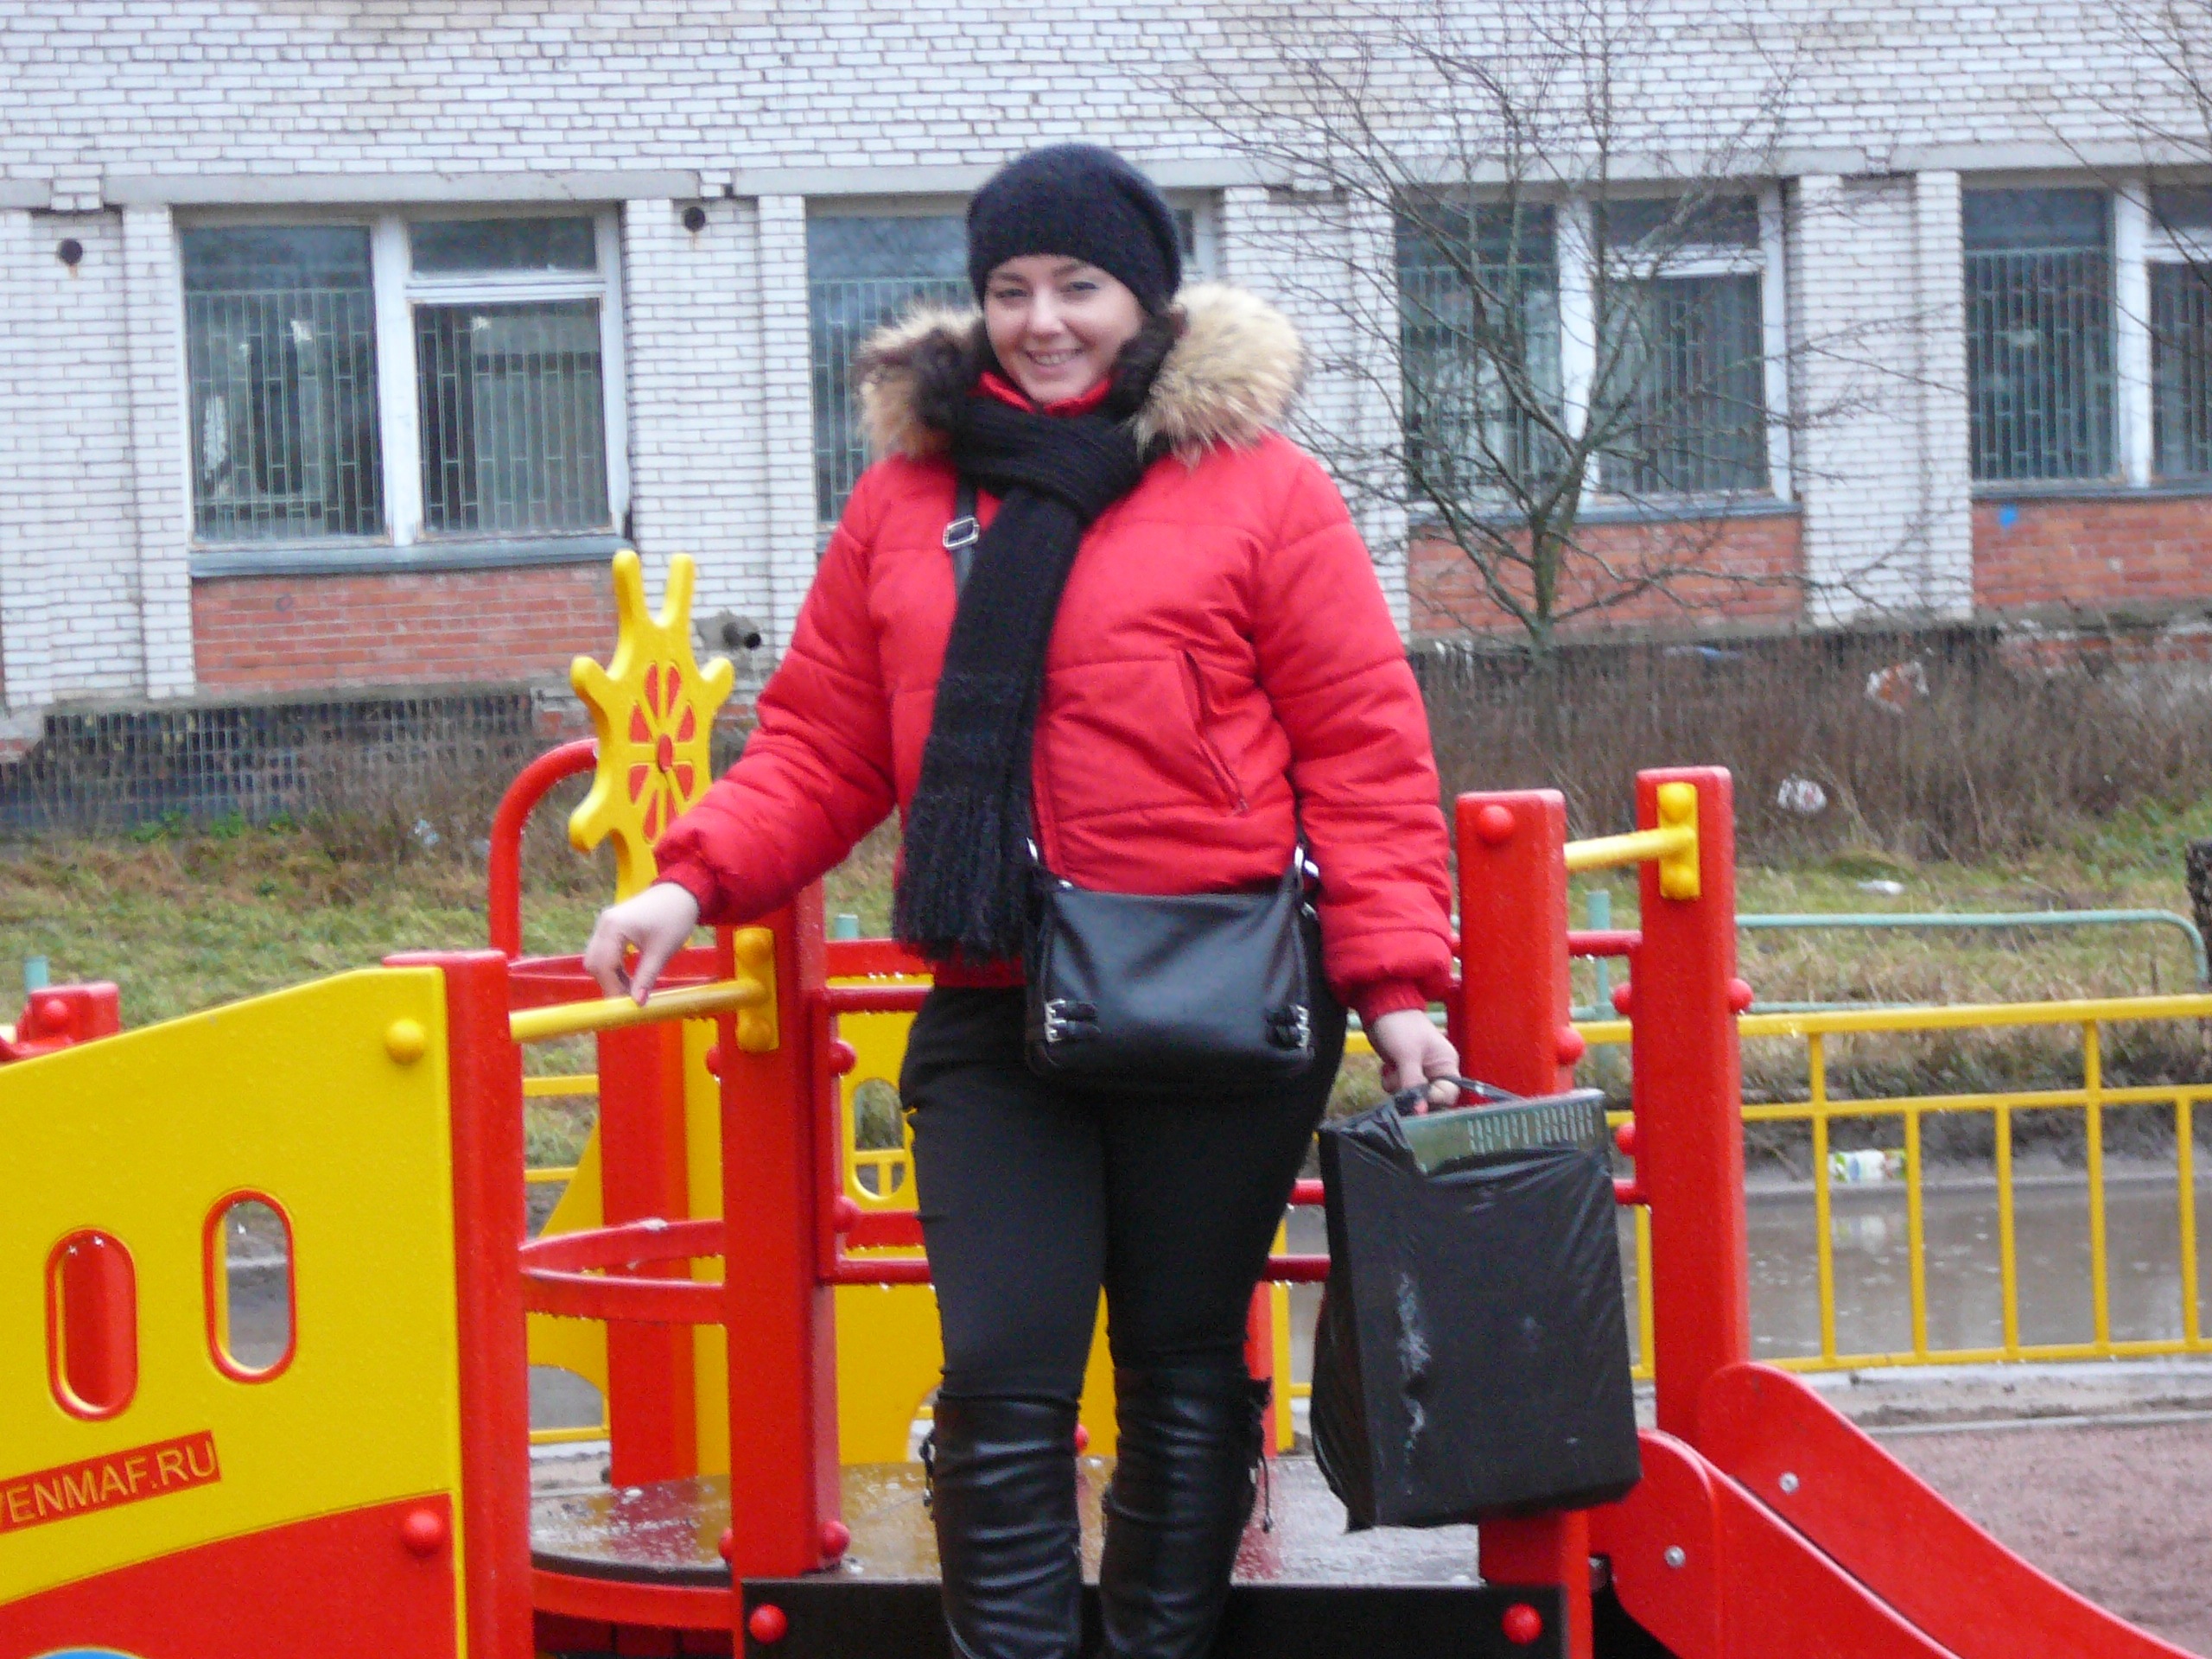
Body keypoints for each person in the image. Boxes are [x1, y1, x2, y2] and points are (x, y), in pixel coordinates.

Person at [584, 143, 1458, 1659]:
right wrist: (690, 879)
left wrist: (1397, 992)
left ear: (1148, 302)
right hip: (996, 998)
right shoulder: (905, 500)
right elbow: (823, 745)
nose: (1044, 320)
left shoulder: (1261, 488)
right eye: (1010, 289)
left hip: (1221, 992)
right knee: (1000, 1368)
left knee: (1183, 1360)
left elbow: (1362, 750)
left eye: (1079, 287)